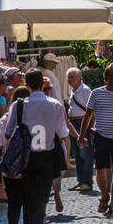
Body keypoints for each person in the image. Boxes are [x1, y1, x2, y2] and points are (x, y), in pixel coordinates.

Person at [0, 70, 69, 224]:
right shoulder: (55, 105)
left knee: (31, 201)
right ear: (42, 84)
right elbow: (62, 133)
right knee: (40, 202)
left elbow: (8, 133)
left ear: (26, 85)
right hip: (46, 158)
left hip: (26, 158)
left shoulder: (19, 106)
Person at [79, 63, 113, 216]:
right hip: (101, 135)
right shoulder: (96, 93)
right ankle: (104, 195)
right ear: (108, 78)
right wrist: (81, 135)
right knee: (101, 169)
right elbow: (88, 115)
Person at [0, 85, 30, 224]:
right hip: (28, 165)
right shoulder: (33, 116)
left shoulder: (5, 118)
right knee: (28, 202)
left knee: (13, 203)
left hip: (10, 167)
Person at [65, 67, 93, 192]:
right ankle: (81, 180)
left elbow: (93, 109)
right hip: (73, 123)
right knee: (77, 154)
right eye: (69, 77)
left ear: (79, 78)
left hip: (83, 123)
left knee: (85, 153)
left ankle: (87, 182)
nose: (69, 80)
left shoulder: (86, 90)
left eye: (72, 77)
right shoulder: (73, 91)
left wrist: (91, 126)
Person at [42, 76, 66, 214]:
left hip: (54, 142)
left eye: (49, 89)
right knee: (45, 175)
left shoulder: (55, 104)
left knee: (57, 174)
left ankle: (56, 193)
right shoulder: (33, 104)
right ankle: (45, 205)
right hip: (40, 144)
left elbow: (63, 125)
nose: (47, 91)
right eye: (45, 89)